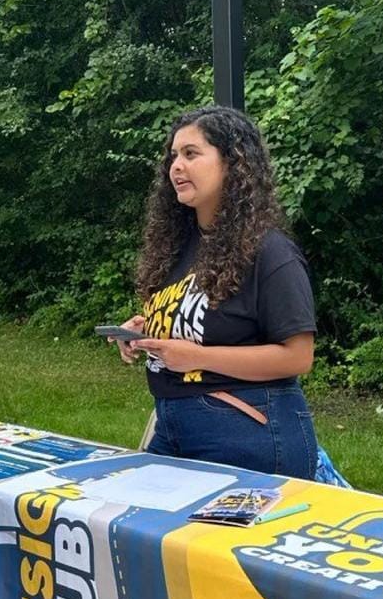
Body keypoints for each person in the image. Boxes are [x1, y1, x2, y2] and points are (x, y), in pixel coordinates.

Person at [114, 105, 321, 480]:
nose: (176, 166)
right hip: (173, 424)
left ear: (233, 163)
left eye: (191, 154)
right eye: (173, 156)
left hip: (248, 431)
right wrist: (147, 333)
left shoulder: (270, 251)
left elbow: (298, 357)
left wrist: (199, 357)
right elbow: (203, 323)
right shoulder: (178, 247)